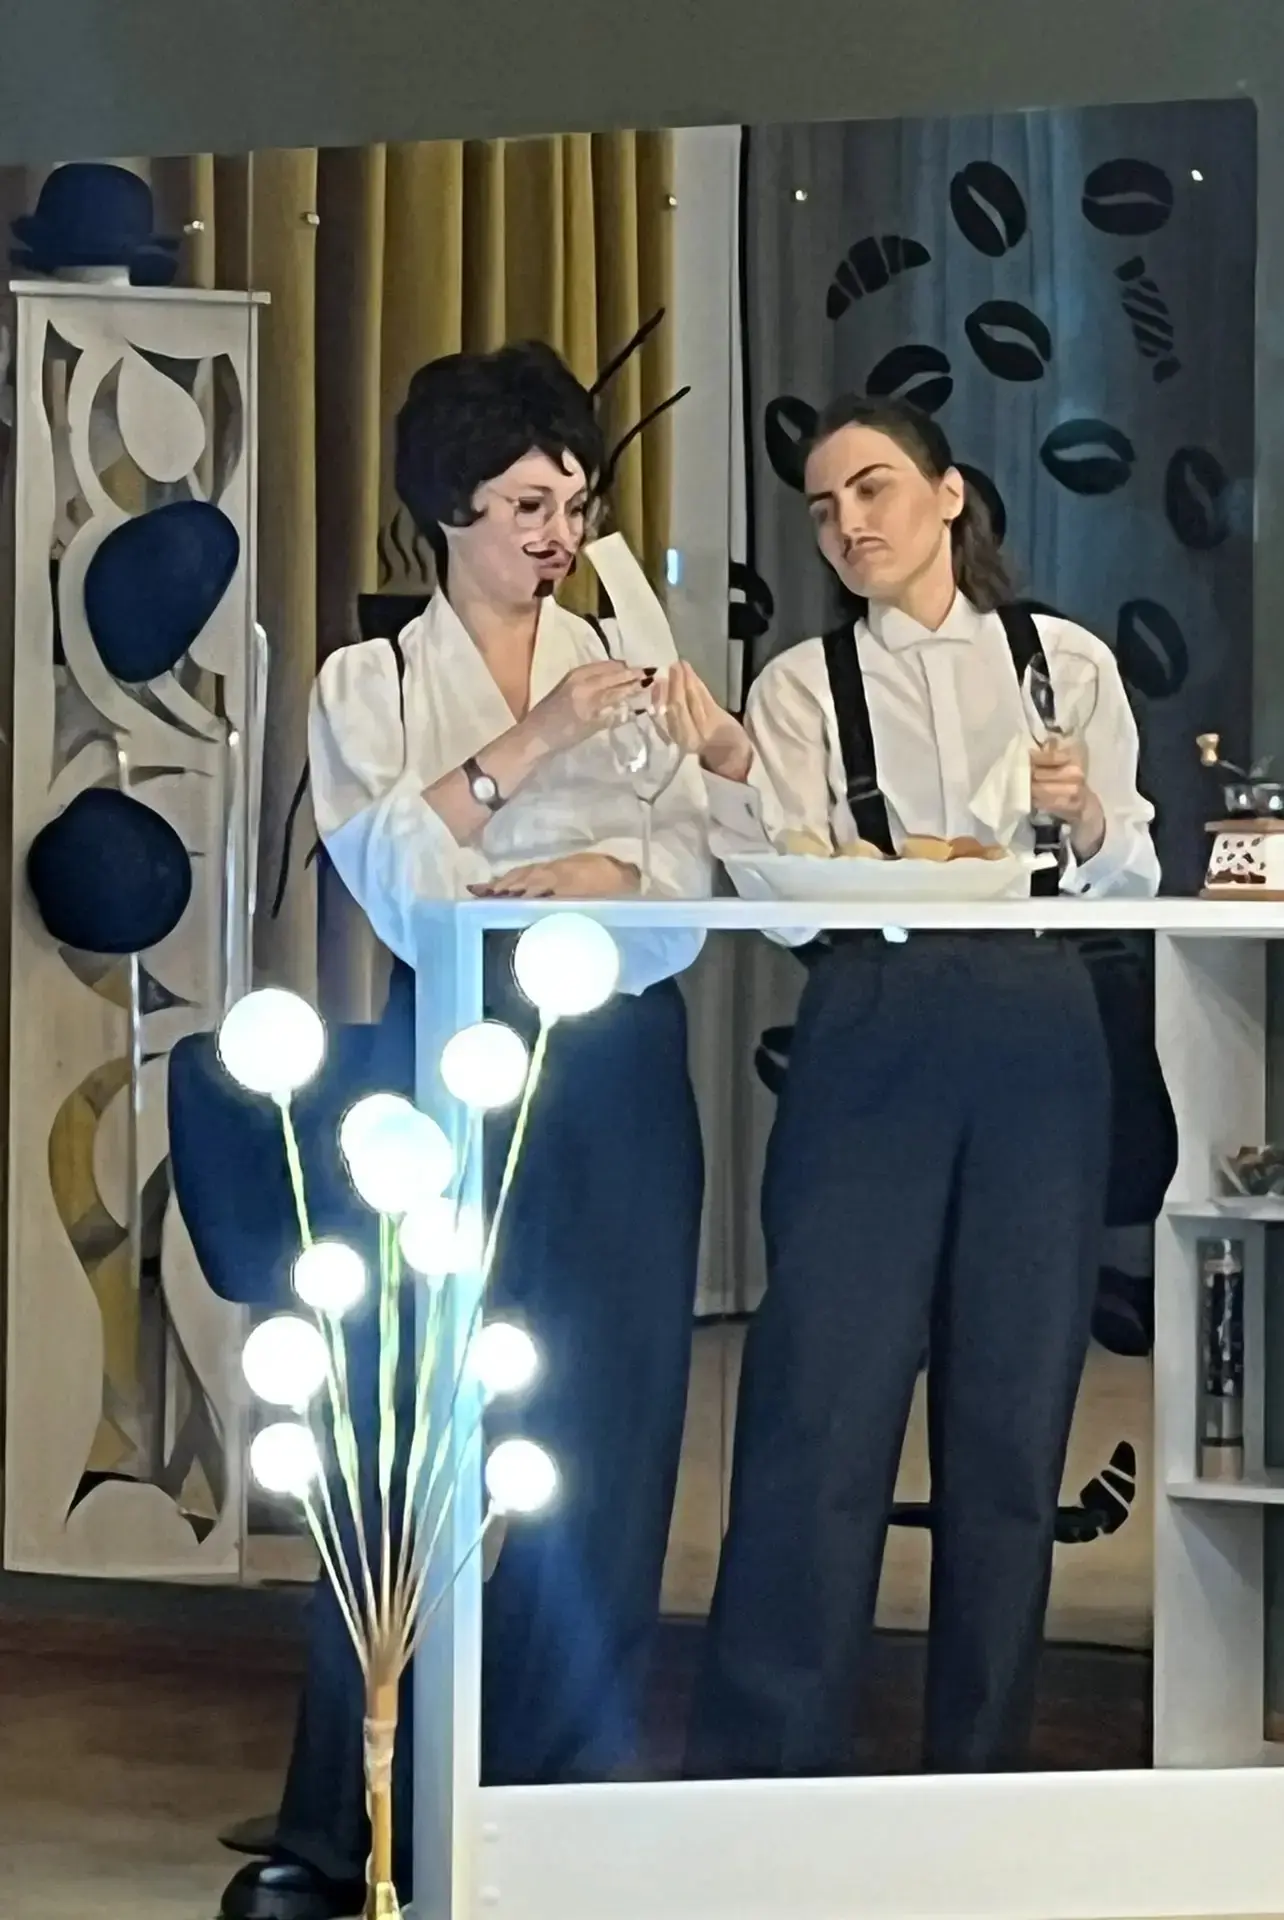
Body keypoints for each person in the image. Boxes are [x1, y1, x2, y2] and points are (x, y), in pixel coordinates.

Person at [218, 342, 711, 1920]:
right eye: (524, 507)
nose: (559, 537)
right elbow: (388, 878)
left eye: (574, 504)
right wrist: (533, 746)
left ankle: (556, 1805)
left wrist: (610, 880)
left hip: (620, 1060)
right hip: (444, 1061)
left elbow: (695, 876)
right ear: (450, 509)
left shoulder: (633, 658)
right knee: (404, 1437)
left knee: (612, 1434)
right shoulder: (371, 683)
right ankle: (348, 1817)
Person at [661, 394, 1160, 1779]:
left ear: (949, 496)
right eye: (824, 507)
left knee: (1014, 1409)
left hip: (1041, 1016)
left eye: (874, 488)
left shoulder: (1067, 662)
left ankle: (978, 1773)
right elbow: (778, 891)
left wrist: (1084, 816)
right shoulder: (800, 687)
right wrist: (740, 785)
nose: (849, 524)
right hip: (871, 1015)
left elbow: (1131, 869)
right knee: (820, 1395)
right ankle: (767, 1767)